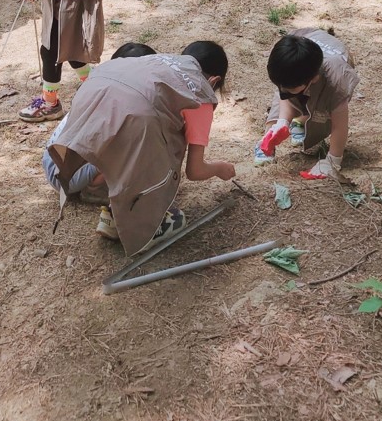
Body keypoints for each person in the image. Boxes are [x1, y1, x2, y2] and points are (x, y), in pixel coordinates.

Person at [47, 42, 236, 256]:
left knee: (141, 135)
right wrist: (220, 169)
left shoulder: (154, 62)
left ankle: (108, 202)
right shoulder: (200, 92)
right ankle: (124, 214)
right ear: (214, 81)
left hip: (87, 103)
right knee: (161, 152)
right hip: (129, 130)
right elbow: (195, 170)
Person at [41, 43, 156, 204]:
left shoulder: (98, 85)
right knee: (133, 146)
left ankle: (91, 180)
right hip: (64, 175)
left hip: (52, 160)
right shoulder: (121, 102)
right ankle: (94, 188)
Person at [253, 27, 359, 179]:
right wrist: (282, 121)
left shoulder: (336, 81)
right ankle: (267, 143)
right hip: (308, 53)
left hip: (333, 66)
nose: (283, 90)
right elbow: (284, 95)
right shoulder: (287, 59)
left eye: (288, 87)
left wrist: (333, 160)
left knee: (319, 110)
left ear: (313, 79)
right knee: (287, 96)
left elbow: (339, 125)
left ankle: (302, 121)